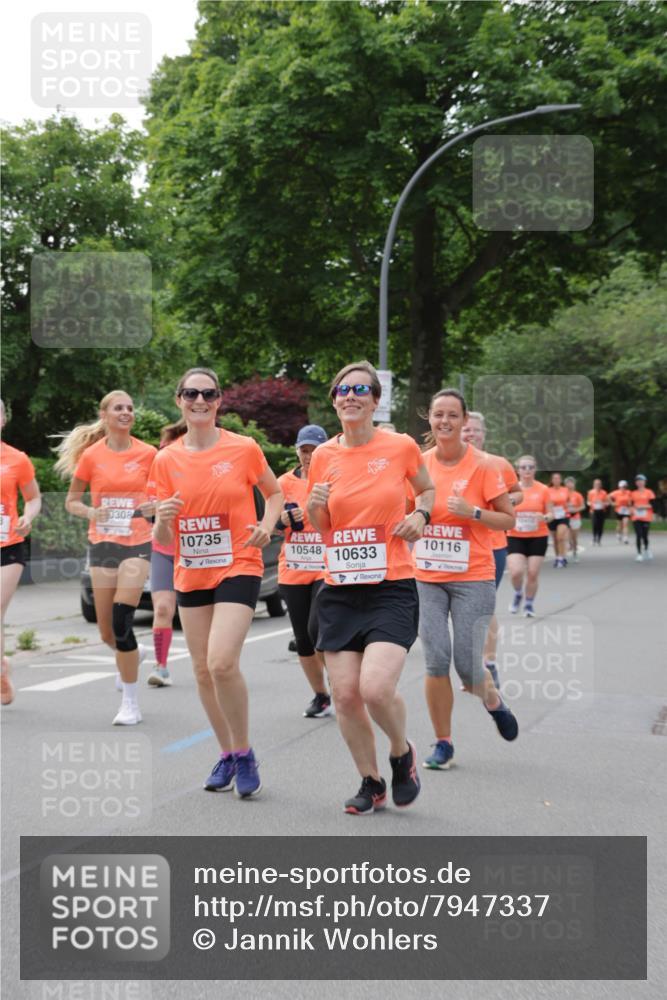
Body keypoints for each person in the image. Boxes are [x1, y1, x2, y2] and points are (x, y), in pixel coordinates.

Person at [306, 360, 434, 815]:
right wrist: (316, 506)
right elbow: (323, 527)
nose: (351, 396)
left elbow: (427, 491)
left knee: (376, 688)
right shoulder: (323, 456)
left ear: (376, 400)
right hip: (340, 588)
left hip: (391, 585)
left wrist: (421, 515)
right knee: (344, 694)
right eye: (343, 390)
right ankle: (371, 781)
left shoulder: (399, 446)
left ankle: (401, 753)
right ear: (335, 400)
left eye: (362, 389)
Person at [151, 367, 283, 798]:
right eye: (191, 393)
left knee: (222, 661)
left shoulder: (243, 448)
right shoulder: (166, 459)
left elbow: (275, 492)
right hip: (192, 570)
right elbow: (162, 538)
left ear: (220, 400)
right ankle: (227, 754)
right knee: (203, 671)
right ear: (179, 400)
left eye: (208, 393)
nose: (200, 400)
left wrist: (266, 524)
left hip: (239, 563)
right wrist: (165, 522)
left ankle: (244, 754)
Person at [412, 389, 517, 772]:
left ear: (463, 420)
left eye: (452, 415)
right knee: (436, 658)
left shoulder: (485, 466)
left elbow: (508, 519)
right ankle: (443, 742)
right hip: (426, 575)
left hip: (472, 574)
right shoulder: (419, 464)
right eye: (438, 414)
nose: (445, 422)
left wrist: (474, 512)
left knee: (469, 666)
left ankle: (492, 700)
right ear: (430, 419)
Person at [56, 391, 156, 725]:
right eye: (119, 408)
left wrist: (155, 509)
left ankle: (130, 703)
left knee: (121, 620)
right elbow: (72, 501)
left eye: (130, 407)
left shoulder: (149, 454)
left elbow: (162, 494)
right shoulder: (91, 456)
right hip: (103, 544)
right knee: (106, 633)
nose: (126, 412)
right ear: (105, 415)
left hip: (138, 543)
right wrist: (92, 512)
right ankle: (134, 654)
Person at [460, 410, 523, 686]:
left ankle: (488, 662)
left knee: (484, 607)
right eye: (466, 430)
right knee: (464, 610)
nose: (470, 434)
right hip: (455, 547)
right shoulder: (445, 462)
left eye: (475, 430)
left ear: (483, 434)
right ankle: (471, 665)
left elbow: (518, 491)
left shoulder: (497, 463)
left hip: (491, 545)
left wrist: (502, 500)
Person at [277, 423, 331, 718]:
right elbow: (269, 523)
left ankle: (341, 680)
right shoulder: (284, 482)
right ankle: (321, 695)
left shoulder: (332, 480)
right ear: (297, 451)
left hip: (326, 568)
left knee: (317, 628)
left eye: (314, 450)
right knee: (303, 638)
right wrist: (283, 520)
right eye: (304, 450)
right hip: (294, 569)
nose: (308, 456)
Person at [1, 399, 42, 705]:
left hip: (8, 544)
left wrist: (28, 516)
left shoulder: (16, 459)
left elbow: (32, 498)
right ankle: (1, 666)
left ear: (3, 420)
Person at [146, 425, 182, 688]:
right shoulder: (154, 474)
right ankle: (161, 667)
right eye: (162, 446)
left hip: (197, 552)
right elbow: (146, 510)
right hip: (164, 550)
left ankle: (215, 664)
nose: (163, 451)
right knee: (162, 608)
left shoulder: (198, 470)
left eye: (168, 446)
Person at [506, 456, 553, 618]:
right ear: (517, 470)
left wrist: (545, 518)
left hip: (538, 536)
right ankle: (518, 593)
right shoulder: (511, 490)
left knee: (532, 573)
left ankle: (529, 604)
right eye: (524, 467)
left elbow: (551, 513)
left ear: (535, 470)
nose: (527, 470)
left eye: (530, 467)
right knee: (516, 572)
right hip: (515, 536)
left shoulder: (543, 489)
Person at [547, 473, 571, 567]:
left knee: (560, 537)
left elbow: (568, 502)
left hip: (563, 516)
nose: (556, 480)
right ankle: (558, 557)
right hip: (552, 516)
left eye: (558, 478)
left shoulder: (565, 490)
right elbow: (545, 502)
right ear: (552, 480)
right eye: (554, 478)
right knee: (555, 539)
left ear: (560, 480)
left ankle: (561, 558)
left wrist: (566, 508)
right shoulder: (547, 490)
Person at [630, 474, 655, 562]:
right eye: (638, 481)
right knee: (638, 535)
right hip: (636, 517)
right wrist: (631, 510)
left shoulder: (649, 492)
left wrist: (643, 507)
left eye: (641, 481)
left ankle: (647, 549)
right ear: (636, 483)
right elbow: (631, 505)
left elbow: (652, 504)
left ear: (645, 482)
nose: (640, 482)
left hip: (646, 517)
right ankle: (639, 554)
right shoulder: (633, 493)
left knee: (645, 536)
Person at [565, 476, 585, 562]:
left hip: (575, 517)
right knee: (567, 536)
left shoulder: (578, 495)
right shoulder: (563, 494)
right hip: (565, 517)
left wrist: (576, 509)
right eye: (568, 483)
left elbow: (583, 506)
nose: (570, 485)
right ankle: (569, 548)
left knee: (574, 537)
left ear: (574, 484)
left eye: (571, 483)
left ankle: (575, 553)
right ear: (565, 484)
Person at [609, 480, 632, 545]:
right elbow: (608, 496)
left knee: (626, 524)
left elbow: (630, 501)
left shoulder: (628, 492)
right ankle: (618, 534)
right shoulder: (616, 493)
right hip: (618, 510)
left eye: (625, 486)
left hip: (626, 510)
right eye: (622, 487)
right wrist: (612, 503)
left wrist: (630, 508)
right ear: (619, 487)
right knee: (619, 525)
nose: (623, 488)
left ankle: (625, 538)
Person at [587, 478, 609, 546]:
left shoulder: (604, 493)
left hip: (601, 511)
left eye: (599, 484)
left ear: (600, 485)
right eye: (596, 484)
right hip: (593, 511)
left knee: (600, 526)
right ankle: (594, 538)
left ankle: (599, 539)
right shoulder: (590, 492)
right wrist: (592, 503)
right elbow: (588, 502)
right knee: (594, 524)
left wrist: (602, 503)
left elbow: (607, 503)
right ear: (593, 485)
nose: (597, 485)